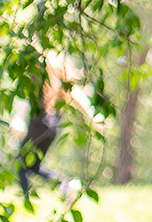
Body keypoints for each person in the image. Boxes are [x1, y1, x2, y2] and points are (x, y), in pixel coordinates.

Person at [18, 50, 99, 195]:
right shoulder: (61, 82)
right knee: (34, 167)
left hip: (38, 123)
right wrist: (92, 118)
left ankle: (25, 199)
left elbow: (24, 99)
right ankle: (66, 185)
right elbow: (77, 97)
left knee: (21, 164)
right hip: (53, 126)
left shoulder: (41, 79)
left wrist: (19, 120)